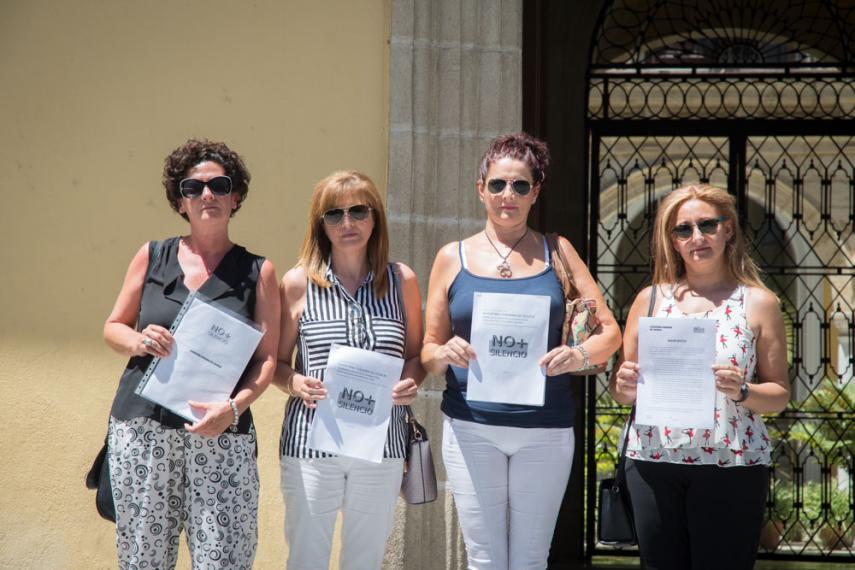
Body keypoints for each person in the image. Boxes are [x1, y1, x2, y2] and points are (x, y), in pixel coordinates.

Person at [420, 132, 622, 569]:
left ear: (536, 192)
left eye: (520, 185)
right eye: (497, 184)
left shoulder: (559, 251)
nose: (507, 194)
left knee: (530, 559)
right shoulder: (451, 258)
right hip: (471, 428)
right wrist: (445, 352)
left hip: (545, 430)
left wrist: (578, 356)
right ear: (481, 190)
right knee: (485, 559)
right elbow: (427, 353)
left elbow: (610, 333)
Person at [103, 139, 280, 569]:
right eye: (193, 187)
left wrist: (233, 409)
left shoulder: (260, 272)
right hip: (144, 430)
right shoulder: (152, 256)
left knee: (224, 560)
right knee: (144, 560)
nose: (207, 195)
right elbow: (113, 328)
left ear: (235, 197)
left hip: (221, 436)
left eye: (220, 185)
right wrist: (140, 340)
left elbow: (267, 360)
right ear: (179, 201)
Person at [610, 184, 789, 570]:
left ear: (728, 230)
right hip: (654, 461)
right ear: (673, 242)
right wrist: (622, 385)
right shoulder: (651, 300)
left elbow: (778, 395)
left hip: (732, 464)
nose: (697, 238)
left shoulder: (758, 302)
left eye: (707, 225)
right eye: (684, 230)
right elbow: (624, 391)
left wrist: (742, 389)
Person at [274, 171, 425, 570]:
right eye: (334, 214)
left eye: (358, 211)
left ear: (375, 218)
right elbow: (271, 363)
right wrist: (293, 381)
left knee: (365, 561)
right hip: (310, 445)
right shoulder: (297, 283)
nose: (348, 223)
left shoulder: (402, 280)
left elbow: (416, 355)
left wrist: (412, 380)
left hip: (382, 447)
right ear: (320, 224)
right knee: (306, 559)